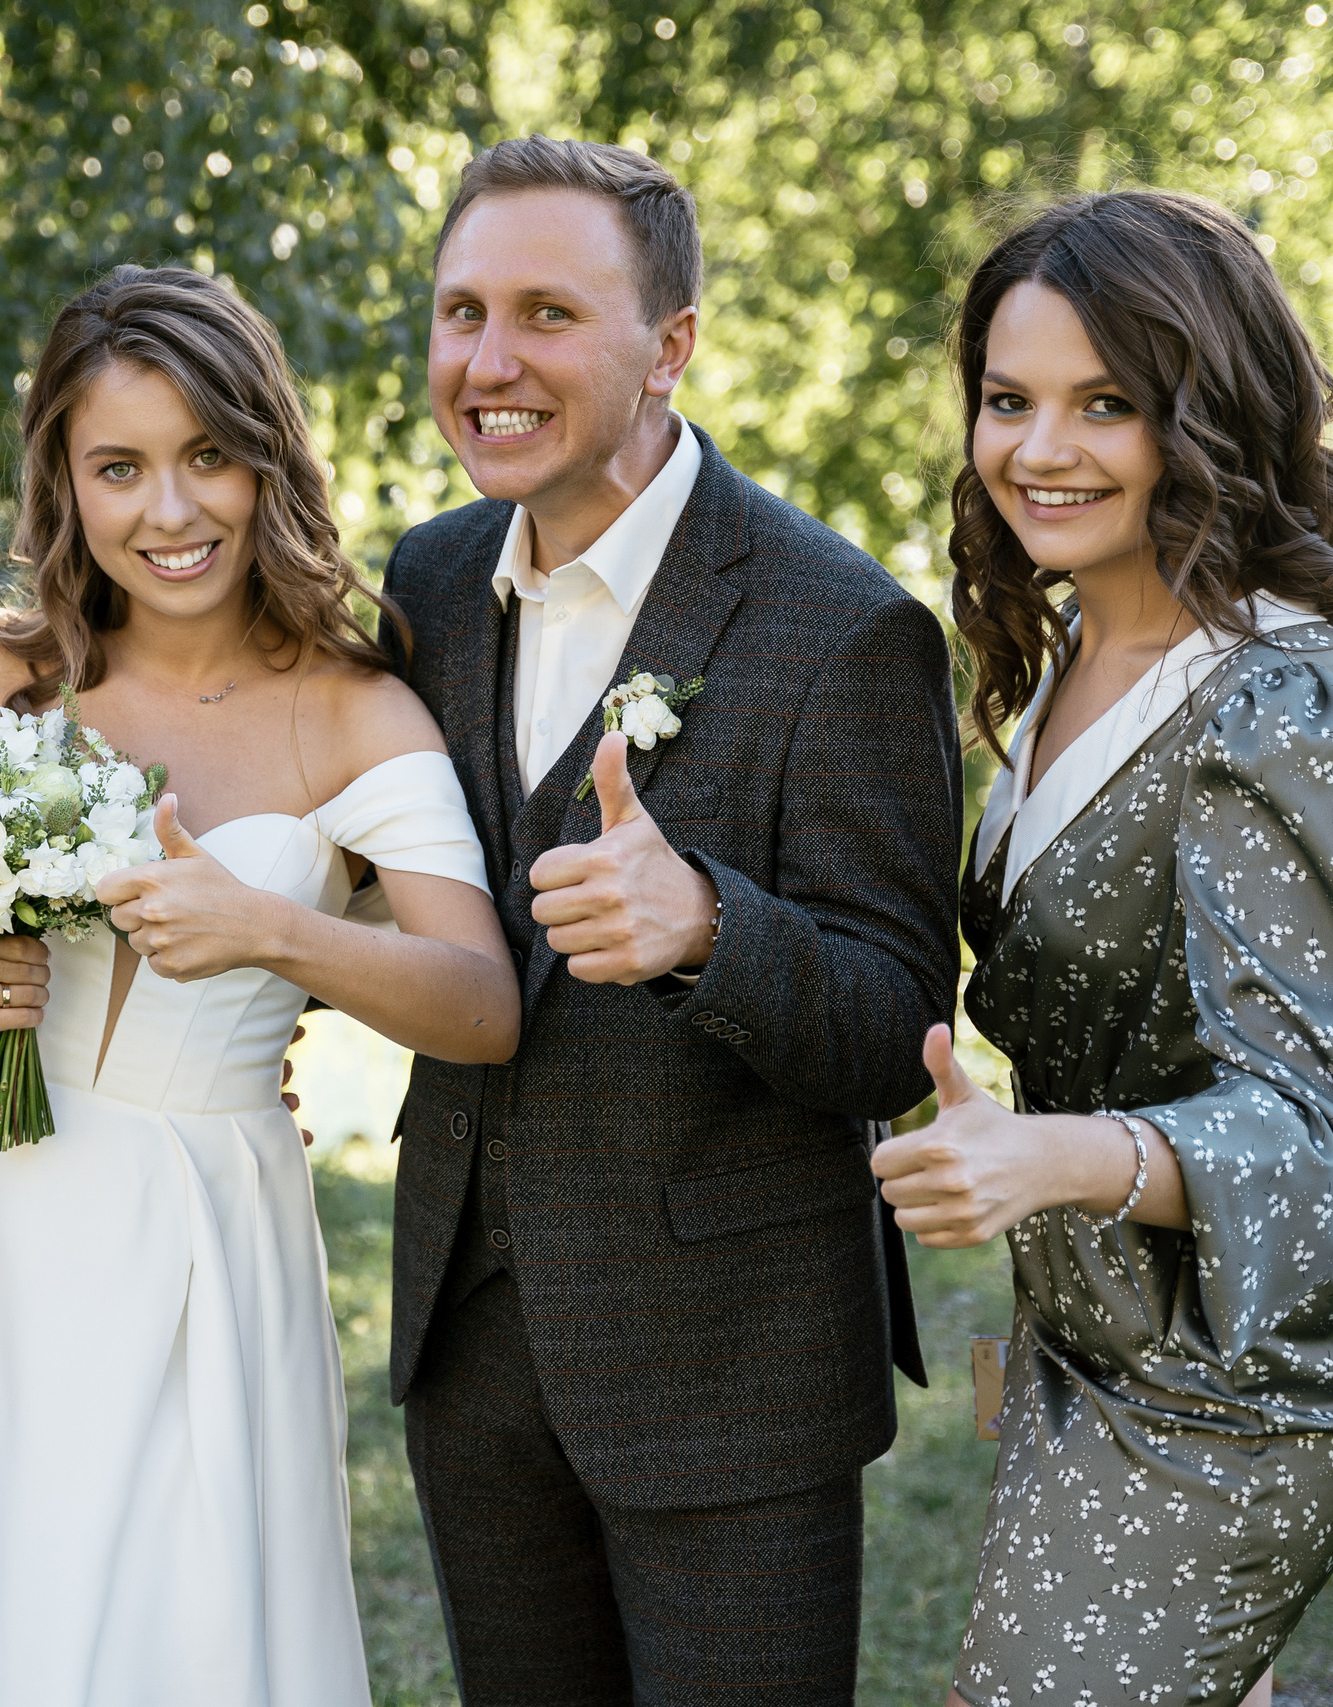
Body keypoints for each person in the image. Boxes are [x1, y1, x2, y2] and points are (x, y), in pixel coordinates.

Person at [0, 265, 521, 1707]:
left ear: (267, 461)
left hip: (198, 1224)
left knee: (166, 1628)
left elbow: (481, 1004)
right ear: (66, 481)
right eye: (120, 468)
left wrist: (277, 933)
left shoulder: (358, 711)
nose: (169, 513)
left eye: (206, 458)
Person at [378, 137, 961, 1704]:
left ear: (671, 347)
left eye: (548, 316)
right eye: (460, 313)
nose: (488, 363)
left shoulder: (843, 629)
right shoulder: (426, 584)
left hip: (729, 1371)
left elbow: (900, 1025)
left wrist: (713, 929)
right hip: (472, 1349)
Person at [872, 189, 1333, 1707]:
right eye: (1007, 400)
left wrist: (1044, 1161)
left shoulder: (1275, 695)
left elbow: (1309, 1125)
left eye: (1103, 404)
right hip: (1088, 1332)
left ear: (1204, 417)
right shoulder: (1065, 648)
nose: (1038, 449)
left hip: (1257, 1371)